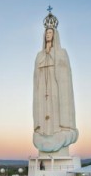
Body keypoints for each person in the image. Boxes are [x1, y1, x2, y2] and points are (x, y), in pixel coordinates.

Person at [33, 11, 78, 153]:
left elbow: (65, 77)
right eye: (46, 33)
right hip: (42, 92)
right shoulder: (39, 55)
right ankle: (44, 132)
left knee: (55, 111)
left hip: (56, 88)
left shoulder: (61, 53)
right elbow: (35, 78)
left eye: (50, 33)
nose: (48, 35)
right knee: (44, 111)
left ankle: (59, 131)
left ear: (55, 35)